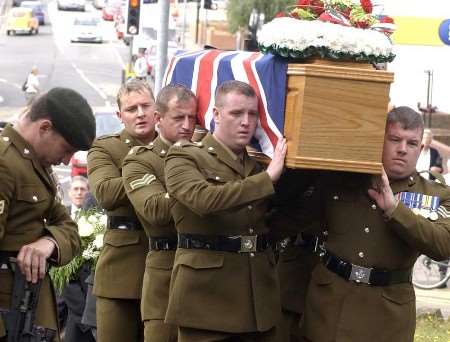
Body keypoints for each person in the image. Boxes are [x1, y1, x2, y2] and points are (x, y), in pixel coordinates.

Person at [301, 106, 450, 341]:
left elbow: (443, 246)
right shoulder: (342, 179)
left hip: (386, 318)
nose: (402, 149)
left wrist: (395, 210)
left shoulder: (435, 194)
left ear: (421, 148)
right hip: (329, 307)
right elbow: (296, 218)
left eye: (411, 144)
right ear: (379, 140)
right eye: (394, 139)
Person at [164, 80, 287, 341]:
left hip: (256, 300)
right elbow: (203, 200)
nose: (246, 122)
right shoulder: (184, 157)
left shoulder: (258, 165)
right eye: (236, 113)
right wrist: (268, 180)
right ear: (216, 115)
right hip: (206, 300)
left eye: (252, 114)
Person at [0, 87, 95, 341]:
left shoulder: (35, 165)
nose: (66, 161)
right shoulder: (5, 162)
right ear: (44, 128)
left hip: (29, 315)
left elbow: (69, 229)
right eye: (65, 149)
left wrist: (49, 242)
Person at [122, 84, 197, 342]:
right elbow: (155, 210)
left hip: (203, 277)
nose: (187, 125)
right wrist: (198, 190)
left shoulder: (204, 156)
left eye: (192, 117)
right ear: (158, 119)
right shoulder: (141, 160)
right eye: (179, 117)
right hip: (165, 274)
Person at [87, 79, 156, 342]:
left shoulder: (175, 147)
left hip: (167, 266)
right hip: (121, 270)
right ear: (120, 115)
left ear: (156, 109)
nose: (140, 113)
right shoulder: (106, 147)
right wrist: (152, 168)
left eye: (145, 106)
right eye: (131, 109)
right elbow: (106, 193)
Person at [61, 176, 96, 342]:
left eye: (83, 189)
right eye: (75, 189)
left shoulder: (98, 225)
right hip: (71, 304)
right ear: (69, 192)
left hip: (87, 311)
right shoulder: (62, 216)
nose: (79, 192)